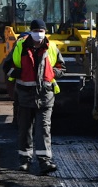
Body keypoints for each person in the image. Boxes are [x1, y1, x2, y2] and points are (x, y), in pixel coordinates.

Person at [4, 18, 64, 174]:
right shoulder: (20, 46)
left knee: (43, 129)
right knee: (25, 129)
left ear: (45, 32)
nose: (39, 34)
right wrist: (17, 73)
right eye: (36, 31)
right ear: (31, 32)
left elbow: (61, 67)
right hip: (24, 96)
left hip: (45, 96)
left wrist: (53, 73)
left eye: (41, 31)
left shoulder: (52, 47)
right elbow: (6, 65)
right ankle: (25, 161)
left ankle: (45, 162)